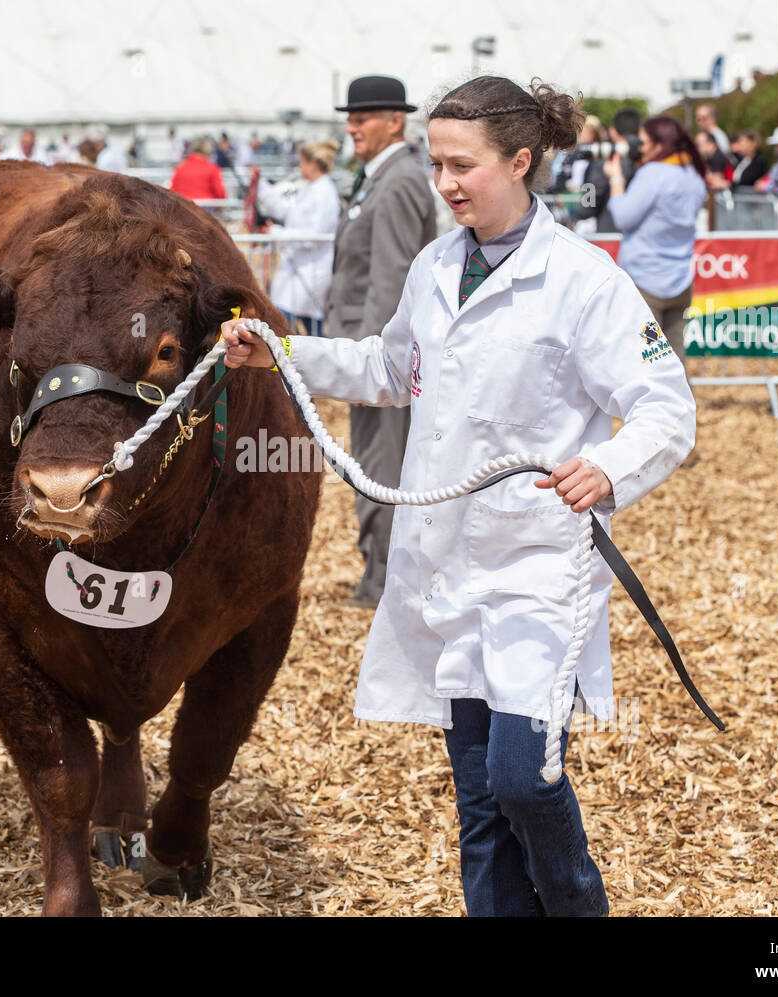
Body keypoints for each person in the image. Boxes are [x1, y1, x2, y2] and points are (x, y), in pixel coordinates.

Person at [220, 73, 696, 918]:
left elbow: (666, 408)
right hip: (444, 559)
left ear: (520, 160)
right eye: (437, 163)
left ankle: (579, 905)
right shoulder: (438, 265)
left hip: (535, 564)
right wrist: (285, 351)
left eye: (461, 166)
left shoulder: (584, 280)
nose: (444, 183)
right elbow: (391, 370)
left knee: (524, 777)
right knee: (477, 799)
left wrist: (611, 467)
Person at [326, 74, 437, 608]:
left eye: (363, 116)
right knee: (375, 462)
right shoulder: (378, 177)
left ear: (395, 120)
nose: (353, 124)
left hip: (380, 356)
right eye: (350, 115)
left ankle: (384, 582)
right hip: (368, 350)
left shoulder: (397, 181)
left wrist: (370, 363)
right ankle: (381, 575)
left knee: (381, 466)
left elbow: (390, 282)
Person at [604, 115, 707, 362]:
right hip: (680, 281)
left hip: (645, 282)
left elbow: (623, 217)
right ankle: (683, 403)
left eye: (643, 142)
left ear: (659, 144)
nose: (639, 148)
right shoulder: (693, 175)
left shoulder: (653, 174)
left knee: (647, 362)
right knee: (674, 362)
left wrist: (616, 179)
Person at [255, 139, 342, 338]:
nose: (299, 167)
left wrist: (276, 233)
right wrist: (260, 186)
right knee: (298, 321)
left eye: (302, 162)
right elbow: (287, 209)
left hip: (311, 269)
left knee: (296, 323)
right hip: (300, 268)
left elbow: (312, 236)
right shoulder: (312, 188)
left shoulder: (324, 193)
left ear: (312, 163)